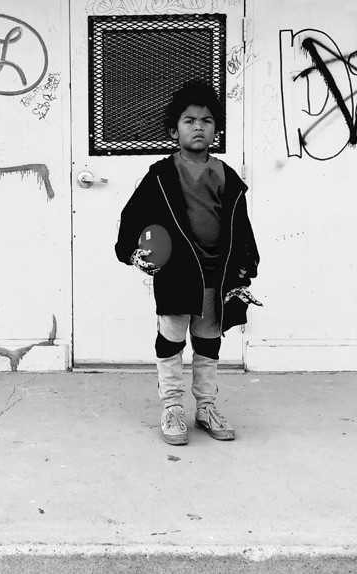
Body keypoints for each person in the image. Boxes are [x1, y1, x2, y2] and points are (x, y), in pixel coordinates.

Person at [114, 80, 260, 446]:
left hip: (218, 277)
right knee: (172, 340)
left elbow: (242, 230)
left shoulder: (227, 177)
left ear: (216, 128)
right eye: (189, 120)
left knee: (209, 343)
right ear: (173, 129)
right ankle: (172, 408)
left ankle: (206, 407)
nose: (199, 127)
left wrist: (245, 270)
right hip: (177, 274)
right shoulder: (160, 176)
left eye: (207, 121)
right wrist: (132, 253)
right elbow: (130, 221)